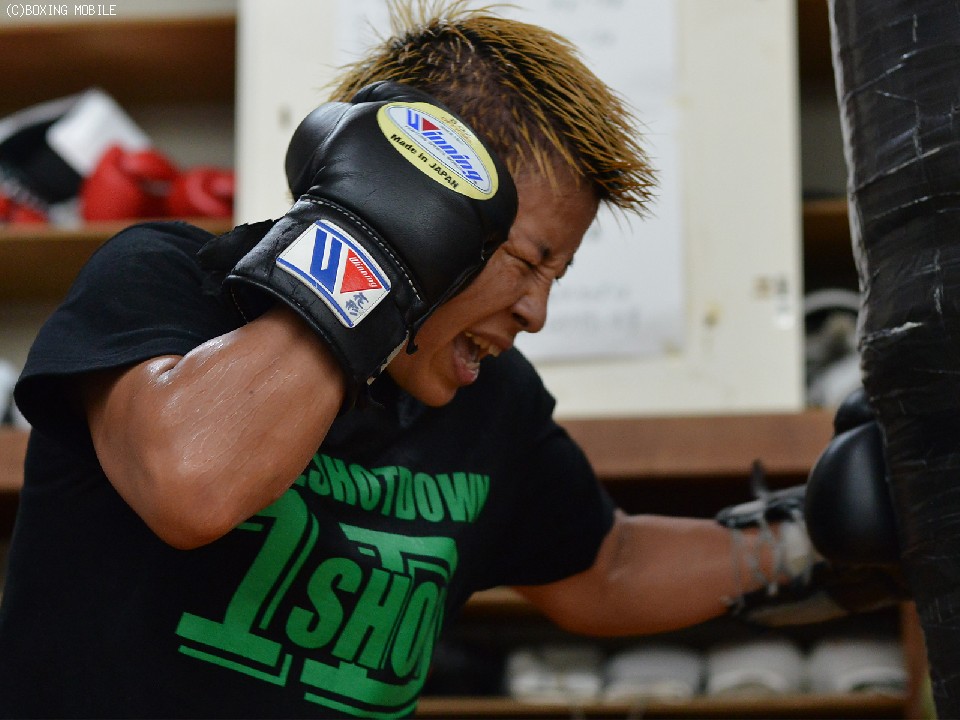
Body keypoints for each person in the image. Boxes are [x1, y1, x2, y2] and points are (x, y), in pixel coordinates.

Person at [0, 2, 898, 718]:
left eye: (556, 276)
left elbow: (609, 564)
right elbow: (194, 486)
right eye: (529, 262)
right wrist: (377, 239)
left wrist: (811, 540)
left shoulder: (490, 405)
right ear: (430, 193)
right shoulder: (170, 283)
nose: (537, 312)